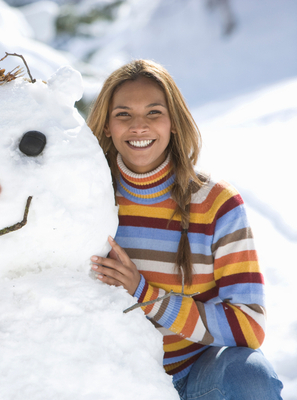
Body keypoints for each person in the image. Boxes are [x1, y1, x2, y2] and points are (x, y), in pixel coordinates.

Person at [87, 59, 283, 399]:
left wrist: (145, 294)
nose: (139, 127)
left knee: (249, 376)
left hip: (195, 374)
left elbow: (250, 326)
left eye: (153, 113)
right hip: (110, 373)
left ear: (173, 122)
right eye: (123, 115)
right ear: (106, 126)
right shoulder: (84, 197)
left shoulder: (216, 203)